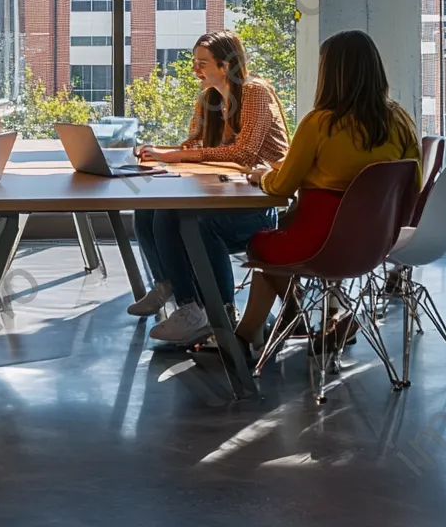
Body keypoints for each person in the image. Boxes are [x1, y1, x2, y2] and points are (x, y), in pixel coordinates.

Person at [232, 29, 422, 360]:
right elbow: (413, 188)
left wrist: (262, 176)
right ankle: (323, 318)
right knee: (282, 252)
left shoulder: (319, 124)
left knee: (261, 247)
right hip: (377, 245)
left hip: (317, 244)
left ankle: (253, 336)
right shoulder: (401, 120)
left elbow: (281, 187)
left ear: (329, 75)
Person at [128, 31, 290, 345]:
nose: (194, 70)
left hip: (256, 206)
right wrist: (162, 152)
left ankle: (217, 312)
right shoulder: (209, 97)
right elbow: (196, 146)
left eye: (202, 64)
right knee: (147, 208)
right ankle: (171, 290)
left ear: (226, 64)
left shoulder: (256, 93)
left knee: (178, 219)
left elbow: (244, 154)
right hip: (225, 193)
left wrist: (178, 154)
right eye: (195, 63)